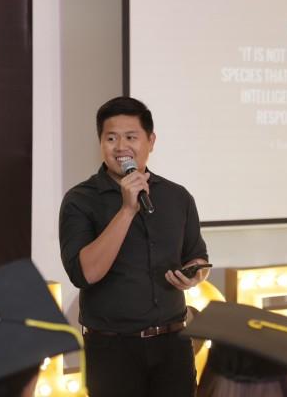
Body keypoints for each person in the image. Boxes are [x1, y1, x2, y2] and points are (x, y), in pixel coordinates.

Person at [59, 96, 210, 397]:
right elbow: (84, 274)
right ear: (100, 142)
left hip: (174, 344)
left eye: (131, 137)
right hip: (112, 349)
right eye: (111, 138)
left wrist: (194, 275)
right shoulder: (80, 200)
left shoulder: (177, 197)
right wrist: (127, 210)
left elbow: (197, 256)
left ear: (150, 141)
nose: (120, 147)